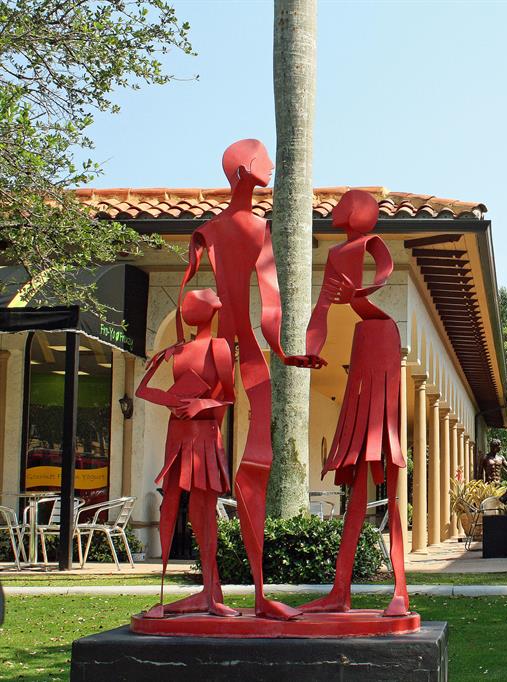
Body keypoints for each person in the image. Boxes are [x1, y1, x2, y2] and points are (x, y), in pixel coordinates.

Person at [172, 139, 320, 620]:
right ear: (245, 169)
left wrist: (286, 354)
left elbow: (262, 303)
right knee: (210, 477)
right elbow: (267, 304)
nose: (271, 167)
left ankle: (250, 593)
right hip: (235, 354)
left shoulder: (219, 231)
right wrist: (280, 353)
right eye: (263, 161)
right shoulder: (233, 231)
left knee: (254, 464)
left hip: (230, 353)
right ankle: (214, 591)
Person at [298, 189, 409, 617]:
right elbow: (322, 309)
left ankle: (400, 590)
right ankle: (339, 591)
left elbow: (378, 284)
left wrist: (357, 294)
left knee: (389, 476)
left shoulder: (372, 245)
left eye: (346, 203)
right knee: (357, 483)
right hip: (364, 350)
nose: (337, 208)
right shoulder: (336, 255)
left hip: (382, 343)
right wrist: (310, 349)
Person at [136, 289, 236, 618]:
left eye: (194, 304)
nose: (187, 309)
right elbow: (143, 388)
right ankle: (173, 593)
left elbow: (229, 397)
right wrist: (169, 395)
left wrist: (201, 404)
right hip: (178, 434)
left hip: (204, 435)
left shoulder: (219, 348)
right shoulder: (177, 351)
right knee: (172, 505)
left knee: (203, 510)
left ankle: (212, 592)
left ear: (209, 310)